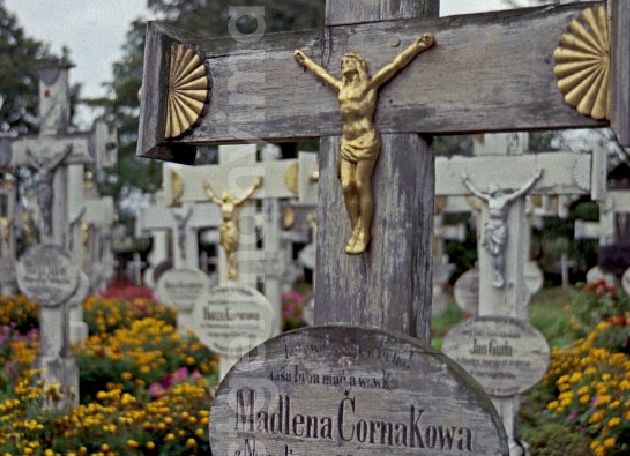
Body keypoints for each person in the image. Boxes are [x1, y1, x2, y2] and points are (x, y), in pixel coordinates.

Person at [294, 35, 434, 254]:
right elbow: (322, 75)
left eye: (347, 62)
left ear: (358, 65)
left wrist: (417, 47)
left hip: (366, 139)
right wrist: (307, 62)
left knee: (361, 184)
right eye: (341, 64)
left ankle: (364, 231)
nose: (343, 66)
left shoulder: (370, 85)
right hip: (347, 141)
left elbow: (395, 65)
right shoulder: (341, 88)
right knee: (346, 186)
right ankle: (355, 228)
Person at [461, 171, 542, 289]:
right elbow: (475, 193)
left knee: (498, 252)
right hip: (490, 227)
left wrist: (534, 178)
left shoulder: (505, 199)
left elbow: (522, 191)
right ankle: (496, 276)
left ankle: (499, 276)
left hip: (500, 228)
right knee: (493, 254)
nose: (492, 192)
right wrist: (466, 181)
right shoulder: (489, 199)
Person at [203, 178, 262, 281]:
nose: (225, 196)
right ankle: (229, 269)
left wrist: (255, 186)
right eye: (224, 195)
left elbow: (245, 197)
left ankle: (232, 268)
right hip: (223, 229)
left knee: (232, 249)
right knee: (226, 250)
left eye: (227, 195)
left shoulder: (233, 204)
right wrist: (207, 188)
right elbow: (212, 197)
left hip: (231, 227)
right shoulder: (222, 204)